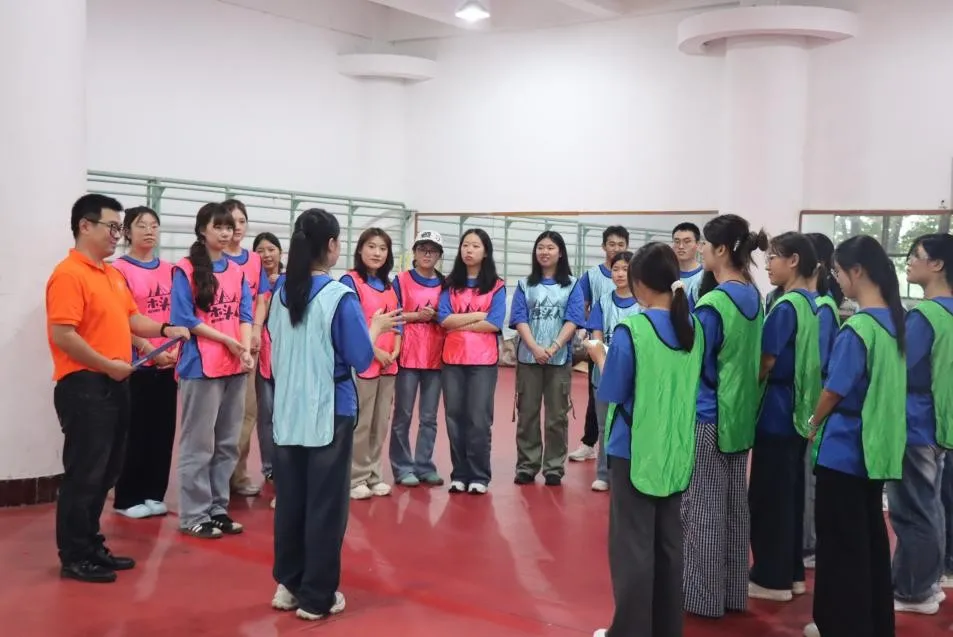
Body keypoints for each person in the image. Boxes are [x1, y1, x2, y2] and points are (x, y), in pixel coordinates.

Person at [46, 194, 189, 583]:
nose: (117, 235)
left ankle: (91, 545)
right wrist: (108, 364)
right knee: (85, 474)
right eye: (112, 227)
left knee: (107, 470)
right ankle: (75, 555)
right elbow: (63, 335)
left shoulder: (109, 275)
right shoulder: (69, 274)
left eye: (118, 228)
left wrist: (165, 330)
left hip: (114, 383)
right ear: (84, 225)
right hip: (85, 385)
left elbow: (132, 319)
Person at [268, 208, 401, 622]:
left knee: (291, 501)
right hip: (328, 411)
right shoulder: (338, 296)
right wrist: (375, 328)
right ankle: (317, 596)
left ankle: (289, 584)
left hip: (287, 411)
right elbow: (361, 358)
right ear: (331, 245)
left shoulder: (280, 292)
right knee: (325, 506)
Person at [587, 242, 704, 637]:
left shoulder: (633, 330)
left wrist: (598, 356)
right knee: (669, 545)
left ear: (639, 282)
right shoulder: (694, 329)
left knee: (633, 547)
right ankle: (666, 627)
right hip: (676, 446)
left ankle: (630, 630)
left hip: (633, 449)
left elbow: (613, 390)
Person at [804, 234, 906, 637]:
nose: (837, 280)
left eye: (838, 272)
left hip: (844, 450)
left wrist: (813, 422)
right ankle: (874, 622)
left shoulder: (859, 328)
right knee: (870, 543)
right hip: (876, 448)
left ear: (857, 271)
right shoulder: (894, 322)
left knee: (840, 549)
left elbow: (835, 389)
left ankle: (840, 624)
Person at [681, 214, 766, 618]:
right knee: (733, 507)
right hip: (740, 415)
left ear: (719, 249)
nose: (699, 249)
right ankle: (732, 592)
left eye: (703, 243)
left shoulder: (713, 303)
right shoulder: (753, 295)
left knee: (701, 508)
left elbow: (696, 362)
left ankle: (702, 599)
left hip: (708, 416)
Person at [171, 202, 255, 539]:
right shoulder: (185, 269)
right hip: (200, 366)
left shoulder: (237, 271)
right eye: (217, 226)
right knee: (198, 444)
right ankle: (194, 514)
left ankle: (218, 508)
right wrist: (226, 340)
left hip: (234, 366)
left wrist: (244, 349)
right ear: (202, 230)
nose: (225, 232)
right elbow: (184, 319)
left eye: (229, 226)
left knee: (227, 443)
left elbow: (245, 314)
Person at [748, 232, 821, 602]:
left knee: (768, 499)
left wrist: (744, 391)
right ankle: (792, 574)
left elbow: (767, 360)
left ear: (793, 260)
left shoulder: (785, 307)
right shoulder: (812, 303)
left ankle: (770, 578)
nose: (768, 266)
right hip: (798, 410)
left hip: (775, 412)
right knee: (790, 496)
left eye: (773, 258)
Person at [886, 233, 953, 615]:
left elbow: (900, 367)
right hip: (939, 422)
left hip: (915, 423)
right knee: (930, 505)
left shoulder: (925, 316)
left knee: (912, 510)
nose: (909, 260)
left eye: (917, 255)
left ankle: (914, 590)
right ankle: (927, 580)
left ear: (938, 264)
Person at [111, 206, 179, 519]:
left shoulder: (170, 269)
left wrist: (173, 350)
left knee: (162, 432)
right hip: (137, 364)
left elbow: (177, 314)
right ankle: (127, 498)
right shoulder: (119, 270)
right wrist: (147, 348)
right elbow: (119, 319)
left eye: (154, 225)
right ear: (127, 232)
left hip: (169, 362)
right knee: (135, 432)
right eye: (141, 225)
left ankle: (154, 493)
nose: (149, 231)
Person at [510, 231, 586, 487]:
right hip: (528, 359)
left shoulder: (572, 285)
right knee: (527, 415)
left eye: (550, 247)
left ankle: (553, 467)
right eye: (540, 247)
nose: (544, 252)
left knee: (557, 417)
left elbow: (574, 319)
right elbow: (519, 318)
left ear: (560, 253)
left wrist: (553, 347)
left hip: (559, 360)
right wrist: (534, 347)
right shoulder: (524, 285)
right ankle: (527, 466)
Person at [438, 229, 506, 494]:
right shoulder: (449, 284)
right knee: (454, 417)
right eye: (465, 245)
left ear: (485, 252)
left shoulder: (496, 286)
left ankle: (479, 475)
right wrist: (477, 315)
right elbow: (444, 319)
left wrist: (460, 322)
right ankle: (459, 473)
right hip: (452, 360)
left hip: (483, 362)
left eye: (475, 246)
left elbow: (494, 323)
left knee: (479, 418)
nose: (469, 250)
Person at [342, 228, 402, 500]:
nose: (377, 253)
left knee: (380, 423)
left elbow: (398, 322)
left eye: (383, 248)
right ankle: (355, 477)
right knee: (361, 423)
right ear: (360, 249)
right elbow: (349, 324)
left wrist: (395, 350)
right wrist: (374, 351)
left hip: (389, 364)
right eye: (371, 246)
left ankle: (374, 474)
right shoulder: (351, 281)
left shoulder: (389, 286)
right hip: (365, 363)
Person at [389, 230, 446, 487]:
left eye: (432, 250)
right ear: (414, 252)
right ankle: (402, 467)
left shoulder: (446, 284)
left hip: (436, 356)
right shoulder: (400, 280)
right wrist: (416, 316)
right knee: (403, 414)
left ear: (439, 255)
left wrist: (435, 316)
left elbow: (448, 314)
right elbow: (392, 314)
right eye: (422, 249)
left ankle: (424, 465)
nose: (427, 254)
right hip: (408, 356)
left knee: (429, 417)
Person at [224, 199, 271, 497]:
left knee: (247, 413)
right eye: (230, 222)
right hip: (221, 346)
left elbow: (261, 300)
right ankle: (217, 476)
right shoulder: (212, 259)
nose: (236, 227)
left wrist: (255, 330)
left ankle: (237, 474)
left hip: (248, 347)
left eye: (242, 221)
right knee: (221, 416)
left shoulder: (254, 260)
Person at [569, 226, 629, 463]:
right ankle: (589, 443)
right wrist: (591, 331)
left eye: (620, 244)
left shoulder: (637, 285)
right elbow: (582, 304)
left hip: (626, 354)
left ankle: (621, 454)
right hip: (599, 345)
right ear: (604, 246)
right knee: (597, 399)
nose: (615, 248)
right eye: (611, 244)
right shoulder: (592, 276)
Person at [802, 232, 842, 568]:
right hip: (804, 402)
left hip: (812, 403)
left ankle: (810, 542)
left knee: (809, 477)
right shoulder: (805, 303)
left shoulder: (823, 307)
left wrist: (814, 417)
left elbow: (817, 363)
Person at [586, 250, 639, 491]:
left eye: (625, 269)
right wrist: (603, 360)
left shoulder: (642, 304)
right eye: (616, 269)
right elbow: (596, 339)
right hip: (603, 375)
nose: (619, 274)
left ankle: (631, 474)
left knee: (633, 425)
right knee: (604, 426)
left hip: (634, 377)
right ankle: (603, 474)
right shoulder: (603, 302)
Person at [253, 231, 283, 486]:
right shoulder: (250, 280)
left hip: (287, 355)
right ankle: (270, 466)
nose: (266, 255)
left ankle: (288, 463)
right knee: (267, 412)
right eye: (260, 250)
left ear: (280, 253)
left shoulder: (291, 280)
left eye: (271, 249)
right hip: (260, 354)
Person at [672, 221, 704, 309]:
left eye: (687, 241)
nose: (681, 246)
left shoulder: (704, 276)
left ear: (698, 244)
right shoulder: (667, 274)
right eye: (677, 241)